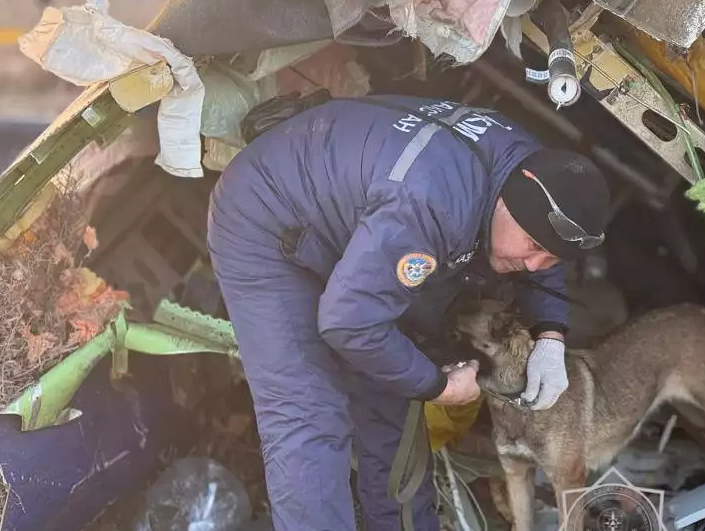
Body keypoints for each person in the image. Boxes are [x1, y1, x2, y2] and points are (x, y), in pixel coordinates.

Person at [207, 94, 612, 531]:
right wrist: (437, 385)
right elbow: (349, 321)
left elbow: (544, 251)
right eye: (532, 248)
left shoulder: (533, 171)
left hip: (355, 218)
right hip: (266, 217)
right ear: (506, 203)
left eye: (550, 259)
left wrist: (551, 334)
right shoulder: (432, 205)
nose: (534, 266)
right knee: (307, 414)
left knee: (389, 397)